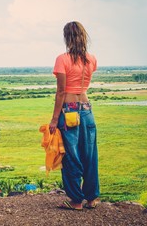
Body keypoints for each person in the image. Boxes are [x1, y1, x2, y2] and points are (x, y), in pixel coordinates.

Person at [49, 21, 100, 210]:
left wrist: (54, 119)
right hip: (86, 109)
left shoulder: (62, 59)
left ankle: (76, 201)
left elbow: (61, 91)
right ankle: (92, 198)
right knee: (90, 155)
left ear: (66, 37)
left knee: (70, 156)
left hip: (69, 111)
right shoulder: (91, 59)